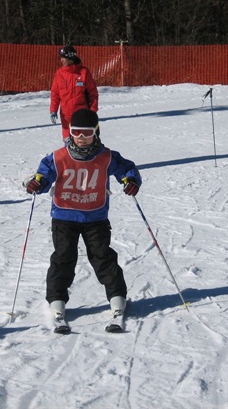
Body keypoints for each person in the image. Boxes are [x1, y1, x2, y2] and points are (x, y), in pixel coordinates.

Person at [24, 108, 141, 333]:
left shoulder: (106, 156)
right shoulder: (58, 157)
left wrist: (130, 180)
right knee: (63, 258)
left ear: (96, 132)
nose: (81, 137)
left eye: (87, 133)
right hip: (64, 216)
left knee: (103, 257)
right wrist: (36, 183)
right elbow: (43, 175)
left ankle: (117, 298)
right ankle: (57, 301)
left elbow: (127, 168)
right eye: (76, 132)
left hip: (95, 216)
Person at [50, 45, 99, 141]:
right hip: (66, 116)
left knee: (81, 141)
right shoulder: (59, 73)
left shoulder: (84, 72)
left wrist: (92, 111)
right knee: (68, 143)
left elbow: (93, 93)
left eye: (63, 58)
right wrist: (53, 110)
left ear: (70, 58)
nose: (61, 60)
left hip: (82, 115)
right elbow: (55, 94)